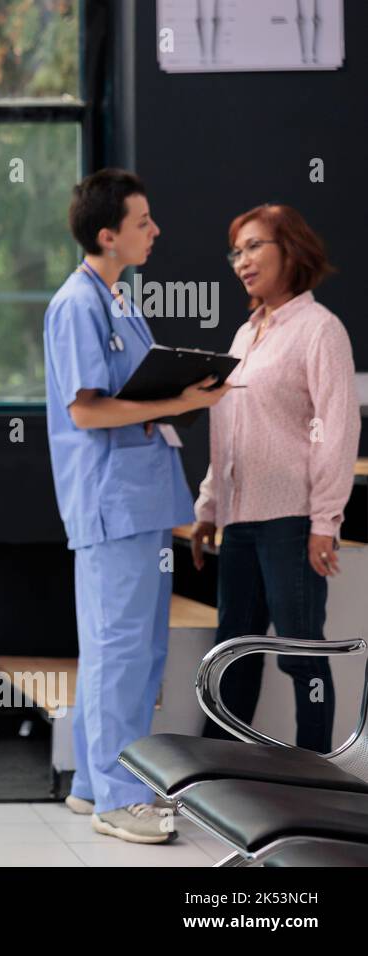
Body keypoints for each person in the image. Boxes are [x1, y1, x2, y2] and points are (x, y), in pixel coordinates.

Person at [43, 168, 228, 844]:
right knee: (120, 651)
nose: (156, 231)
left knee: (132, 652)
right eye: (143, 221)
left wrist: (178, 390)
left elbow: (131, 394)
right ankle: (121, 799)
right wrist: (182, 401)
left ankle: (95, 784)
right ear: (106, 234)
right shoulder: (77, 305)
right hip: (109, 502)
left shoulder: (119, 300)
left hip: (142, 501)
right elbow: (86, 410)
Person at [191, 204, 356, 753]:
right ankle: (219, 778)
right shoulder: (244, 335)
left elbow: (337, 430)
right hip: (239, 522)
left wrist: (324, 521)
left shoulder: (320, 330)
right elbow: (226, 431)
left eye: (255, 246)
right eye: (236, 251)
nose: (242, 261)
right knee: (230, 658)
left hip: (291, 521)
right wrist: (209, 508)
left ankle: (317, 784)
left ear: (292, 250)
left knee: (302, 655)